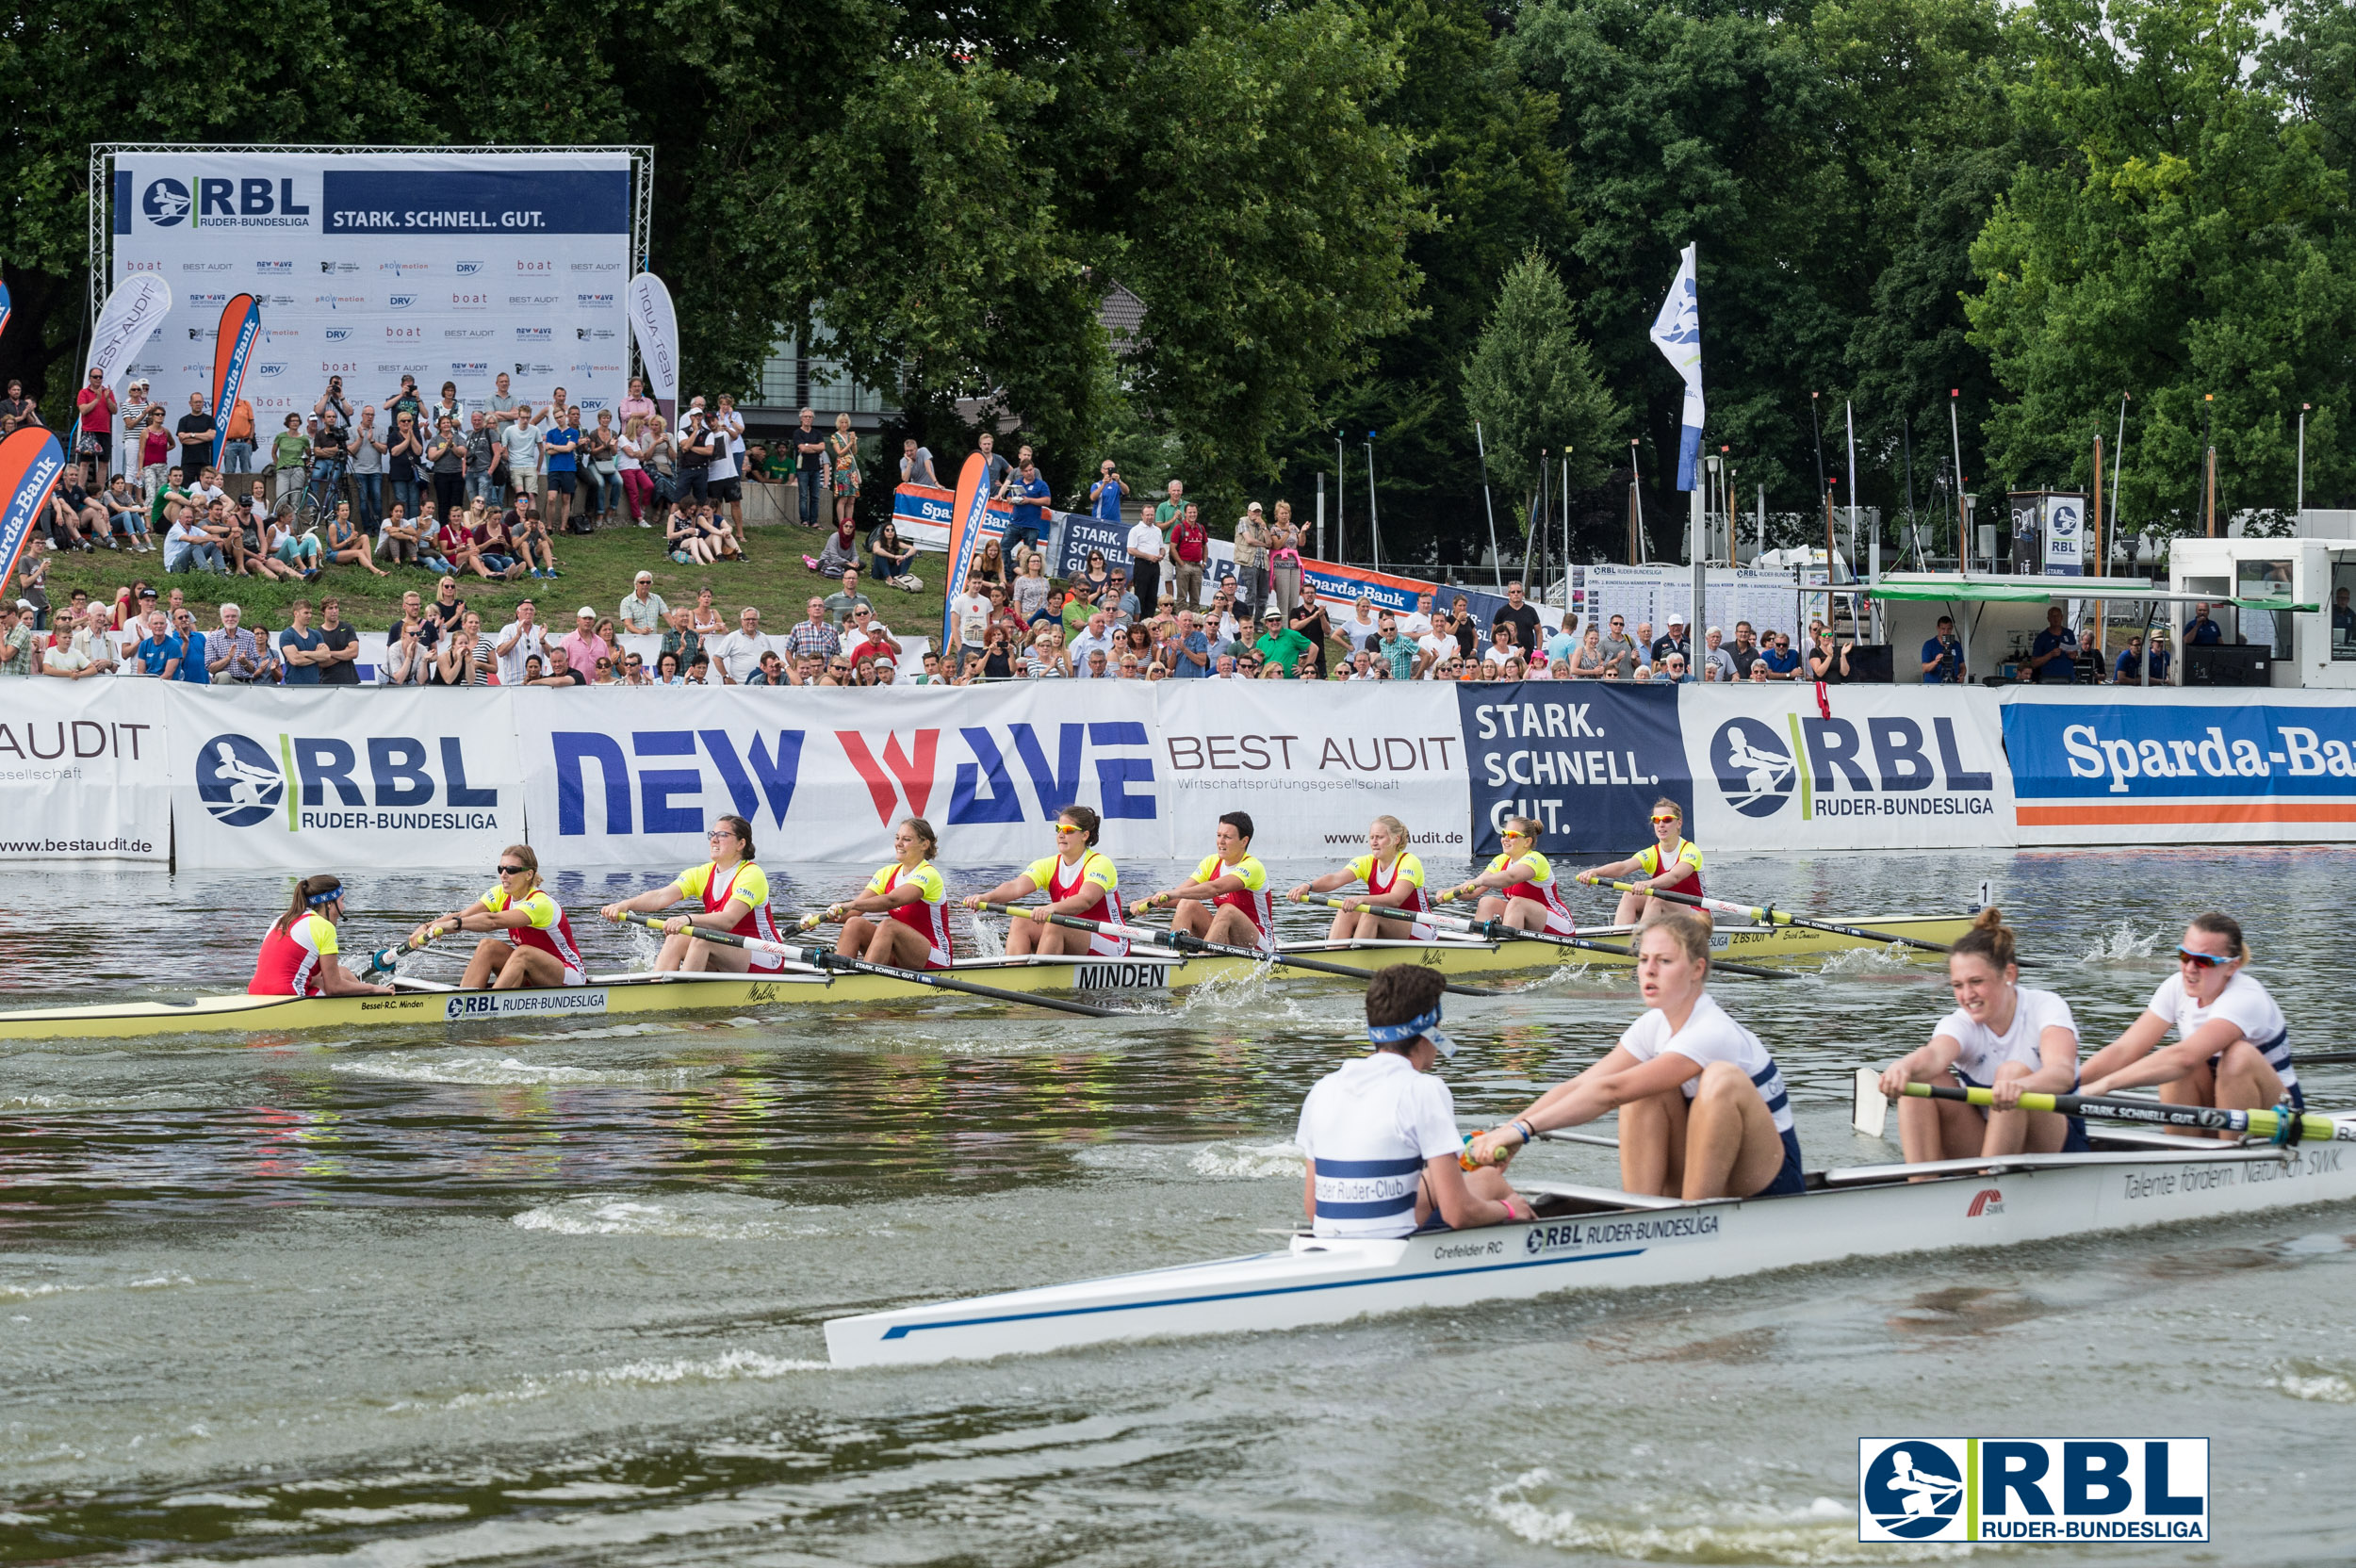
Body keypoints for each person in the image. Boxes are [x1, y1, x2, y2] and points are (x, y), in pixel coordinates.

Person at [1469, 906, 1805, 1200]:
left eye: (1665, 961)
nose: (1649, 971)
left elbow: (1610, 1092)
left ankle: (1694, 1219)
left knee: (1719, 1079)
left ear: (1697, 969)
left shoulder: (1711, 1030)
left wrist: (1525, 1130)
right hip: (1710, 1159)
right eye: (1644, 960)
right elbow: (1578, 1086)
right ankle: (1640, 1214)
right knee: (1644, 1090)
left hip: (1768, 1173)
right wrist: (1507, 1132)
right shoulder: (1652, 1025)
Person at [1297, 965, 1530, 1239]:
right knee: (1489, 1179)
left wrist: (1462, 1159)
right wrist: (1507, 1209)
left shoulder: (1322, 1089)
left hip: (1329, 1236)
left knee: (1435, 1179)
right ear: (1432, 1031)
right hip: (1391, 1247)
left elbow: (1313, 1210)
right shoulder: (1424, 1088)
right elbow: (1458, 1214)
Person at [1876, 908, 2084, 1163]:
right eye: (1958, 985)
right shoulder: (1959, 1022)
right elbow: (1933, 1055)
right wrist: (1903, 1067)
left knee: (2012, 1072)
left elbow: (2062, 1072)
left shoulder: (2046, 1007)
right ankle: (1920, 1185)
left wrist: (2021, 1086)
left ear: (2009, 974)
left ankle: (1989, 1190)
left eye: (1976, 982)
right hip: (1986, 1141)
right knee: (1920, 1078)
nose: (1967, 995)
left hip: (2054, 1144)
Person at [2077, 911, 2300, 1119]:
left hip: (2278, 1113)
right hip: (2216, 1109)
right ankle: (2184, 1153)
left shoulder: (2245, 997)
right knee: (2171, 1065)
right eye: (2185, 956)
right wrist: (2068, 1085)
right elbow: (2124, 1050)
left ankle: (2230, 1153)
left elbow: (2185, 1058)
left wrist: (2104, 1085)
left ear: (2232, 966)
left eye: (2204, 961)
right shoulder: (2176, 986)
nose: (2190, 968)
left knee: (2234, 1057)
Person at [597, 815, 789, 974]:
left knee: (702, 938)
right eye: (712, 834)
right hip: (728, 949)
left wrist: (687, 919)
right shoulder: (702, 873)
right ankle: (656, 987)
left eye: (722, 835)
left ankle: (680, 998)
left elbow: (729, 920)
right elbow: (660, 896)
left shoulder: (751, 874)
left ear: (741, 844)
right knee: (675, 938)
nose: (714, 839)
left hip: (765, 954)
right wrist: (625, 905)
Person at [410, 845, 586, 991]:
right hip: (533, 972)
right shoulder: (500, 893)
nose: (503, 874)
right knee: (488, 947)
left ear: (529, 874)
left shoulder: (541, 903)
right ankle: (463, 999)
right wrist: (427, 926)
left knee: (524, 953)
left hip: (568, 975)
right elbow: (463, 916)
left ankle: (488, 1006)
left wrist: (454, 925)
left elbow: (493, 921)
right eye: (501, 869)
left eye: (511, 870)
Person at [963, 806, 1129, 957]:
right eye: (1058, 829)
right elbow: (1015, 887)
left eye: (1069, 830)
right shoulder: (1048, 865)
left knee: (1055, 923)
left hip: (1112, 940)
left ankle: (1037, 980)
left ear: (1085, 835)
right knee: (1020, 921)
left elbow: (1086, 899)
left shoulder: (1100, 863)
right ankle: (1015, 972)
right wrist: (987, 897)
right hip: (1073, 932)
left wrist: (1051, 908)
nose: (1061, 835)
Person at [816, 817, 956, 971]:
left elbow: (892, 900)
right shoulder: (886, 873)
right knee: (855, 923)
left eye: (906, 839)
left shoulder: (929, 874)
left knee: (888, 926)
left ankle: (863, 982)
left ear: (924, 844)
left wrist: (851, 904)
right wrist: (816, 919)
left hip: (936, 957)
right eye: (897, 838)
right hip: (900, 953)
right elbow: (852, 912)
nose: (899, 844)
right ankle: (840, 977)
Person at [1137, 812, 1274, 953]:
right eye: (1219, 835)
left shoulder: (1252, 866)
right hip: (1227, 939)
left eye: (1227, 837)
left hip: (1257, 945)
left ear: (1244, 841)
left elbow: (1215, 888)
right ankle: (1173, 957)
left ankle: (1201, 962)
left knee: (1227, 910)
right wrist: (1146, 902)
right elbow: (1176, 897)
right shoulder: (1211, 862)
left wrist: (1172, 894)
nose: (1220, 842)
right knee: (1186, 903)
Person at [1288, 816, 1434, 940]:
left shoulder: (1409, 861)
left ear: (1396, 839)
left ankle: (1353, 959)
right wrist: (1308, 886)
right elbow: (1335, 879)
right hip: (1390, 923)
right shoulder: (1366, 862)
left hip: (1421, 928)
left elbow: (1396, 899)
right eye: (1372, 837)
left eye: (1380, 837)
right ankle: (1334, 954)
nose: (1374, 842)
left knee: (1372, 914)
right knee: (1346, 911)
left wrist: (1362, 899)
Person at [249, 875, 391, 999]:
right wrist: (373, 988)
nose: (343, 907)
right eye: (342, 900)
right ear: (330, 904)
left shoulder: (281, 919)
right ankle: (368, 1005)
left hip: (255, 992)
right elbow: (334, 987)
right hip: (289, 996)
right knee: (342, 979)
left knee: (342, 972)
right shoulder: (324, 927)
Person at [1577, 798, 1702, 924]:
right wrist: (1595, 872)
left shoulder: (1691, 851)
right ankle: (1622, 938)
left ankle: (1644, 940)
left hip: (1698, 915)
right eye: (1656, 820)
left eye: (1667, 820)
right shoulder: (1652, 853)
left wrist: (1649, 883)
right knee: (1629, 895)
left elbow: (1675, 876)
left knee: (1656, 899)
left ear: (1679, 823)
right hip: (1669, 913)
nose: (1661, 825)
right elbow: (1623, 867)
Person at [1441, 816, 1575, 935]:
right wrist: (1448, 893)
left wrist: (1479, 880)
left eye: (1512, 835)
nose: (1505, 839)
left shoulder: (1536, 859)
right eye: (1504, 834)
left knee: (1517, 903)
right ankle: (1481, 946)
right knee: (1486, 902)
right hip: (1528, 923)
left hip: (1559, 923)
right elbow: (1473, 891)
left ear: (1527, 842)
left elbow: (1510, 878)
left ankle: (1507, 951)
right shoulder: (1501, 860)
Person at [1125, 501, 1166, 612]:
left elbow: (1162, 547)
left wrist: (1161, 554)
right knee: (1141, 595)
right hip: (1142, 565)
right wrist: (1148, 556)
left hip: (1155, 565)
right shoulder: (1135, 530)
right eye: (1147, 515)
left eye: (1152, 515)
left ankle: (1149, 620)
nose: (1150, 517)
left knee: (1152, 596)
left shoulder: (1157, 530)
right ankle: (1139, 621)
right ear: (1142, 515)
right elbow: (1130, 549)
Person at [2024, 605, 2078, 683]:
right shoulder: (2042, 637)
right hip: (2048, 680)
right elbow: (2034, 663)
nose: (2055, 618)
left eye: (2058, 616)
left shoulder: (2069, 634)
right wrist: (2050, 655)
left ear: (2062, 617)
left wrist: (2074, 656)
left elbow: (2076, 657)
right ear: (2048, 619)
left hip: (2068, 679)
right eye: (2053, 616)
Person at [1493, 580, 1543, 657]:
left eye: (1518, 592)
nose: (1516, 594)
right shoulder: (1502, 612)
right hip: (1507, 655)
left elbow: (1539, 631)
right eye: (1513, 592)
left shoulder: (1530, 611)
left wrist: (1538, 652)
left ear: (1523, 593)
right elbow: (1494, 632)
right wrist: (1498, 651)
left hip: (1528, 654)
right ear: (1508, 594)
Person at [869, 519, 919, 588]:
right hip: (878, 573)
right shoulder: (878, 542)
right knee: (881, 552)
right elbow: (877, 550)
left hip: (892, 571)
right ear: (883, 532)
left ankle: (901, 577)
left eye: (892, 530)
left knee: (908, 551)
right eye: (887, 530)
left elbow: (913, 549)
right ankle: (888, 579)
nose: (890, 532)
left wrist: (904, 557)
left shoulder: (897, 543)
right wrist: (895, 557)